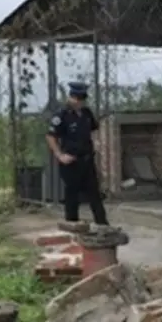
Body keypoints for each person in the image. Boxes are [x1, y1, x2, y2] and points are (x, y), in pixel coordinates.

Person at [46, 81, 109, 226]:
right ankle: (72, 225)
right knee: (72, 195)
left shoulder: (87, 113)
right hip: (71, 161)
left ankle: (103, 224)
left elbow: (94, 130)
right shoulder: (62, 115)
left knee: (94, 193)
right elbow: (50, 136)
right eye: (77, 98)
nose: (79, 102)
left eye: (82, 99)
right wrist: (59, 155)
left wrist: (96, 142)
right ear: (71, 97)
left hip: (87, 159)